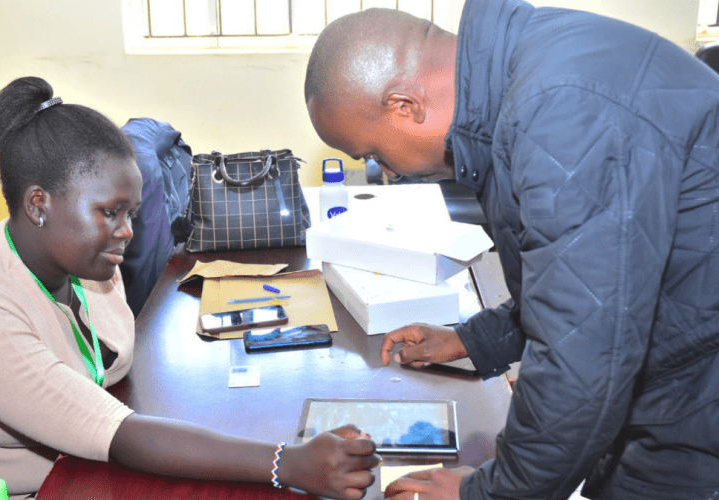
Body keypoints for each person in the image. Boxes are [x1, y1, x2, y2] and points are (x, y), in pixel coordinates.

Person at [305, 2, 719, 499]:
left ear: (404, 105)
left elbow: (582, 357)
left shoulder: (559, 113)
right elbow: (586, 286)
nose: (387, 171)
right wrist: (475, 341)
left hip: (694, 404)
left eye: (373, 153)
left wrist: (482, 493)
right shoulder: (521, 73)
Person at [0, 76, 378, 500]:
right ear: (39, 204)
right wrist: (288, 463)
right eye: (110, 212)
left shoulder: (84, 263)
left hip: (81, 461)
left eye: (131, 213)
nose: (127, 232)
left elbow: (109, 389)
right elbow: (115, 431)